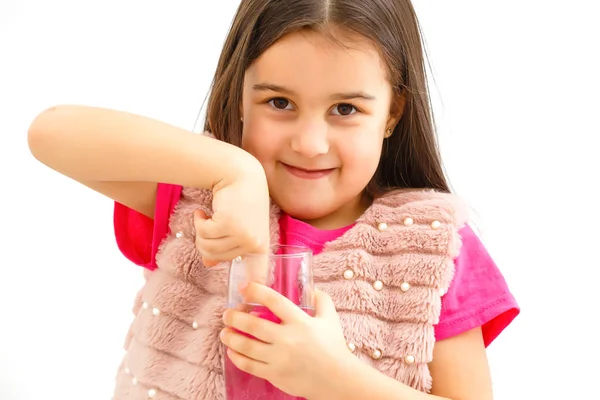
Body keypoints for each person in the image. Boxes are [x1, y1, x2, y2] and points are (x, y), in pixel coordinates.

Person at [27, 0, 519, 399]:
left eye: (345, 109)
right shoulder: (197, 199)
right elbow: (48, 132)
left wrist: (337, 380)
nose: (309, 142)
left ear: (392, 114)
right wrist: (231, 170)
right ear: (240, 96)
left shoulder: (432, 248)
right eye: (279, 103)